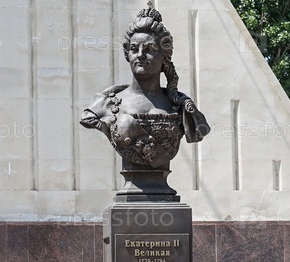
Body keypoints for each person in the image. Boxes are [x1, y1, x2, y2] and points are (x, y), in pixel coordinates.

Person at [80, 2, 210, 171]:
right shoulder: (106, 104)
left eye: (149, 49)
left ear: (164, 56)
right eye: (134, 49)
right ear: (128, 54)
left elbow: (200, 130)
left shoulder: (182, 107)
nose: (140, 55)